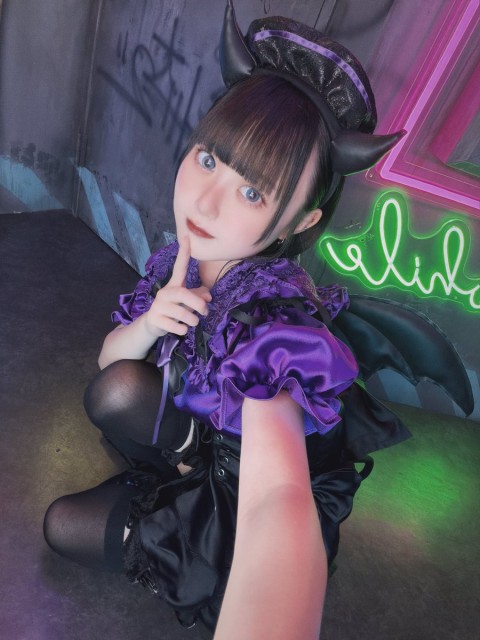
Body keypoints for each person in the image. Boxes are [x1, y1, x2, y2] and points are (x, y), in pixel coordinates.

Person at [43, 2, 410, 638]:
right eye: (209, 158)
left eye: (252, 192)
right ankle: (181, 466)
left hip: (237, 501)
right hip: (203, 444)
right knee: (113, 389)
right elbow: (110, 358)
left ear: (301, 222)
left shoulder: (272, 322)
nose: (206, 202)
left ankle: (195, 530)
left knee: (63, 525)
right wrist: (153, 321)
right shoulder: (183, 260)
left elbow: (278, 498)